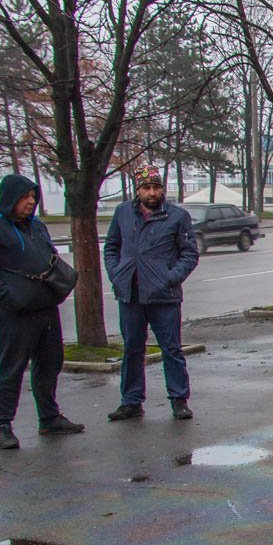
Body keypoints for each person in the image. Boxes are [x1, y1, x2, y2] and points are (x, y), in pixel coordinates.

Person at [0, 175, 85, 449]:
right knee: (10, 368)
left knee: (50, 364)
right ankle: (2, 425)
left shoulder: (37, 225)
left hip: (46, 308)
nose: (31, 202)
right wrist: (5, 295)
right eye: (26, 197)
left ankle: (49, 418)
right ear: (10, 197)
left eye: (33, 197)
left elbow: (49, 256)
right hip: (13, 313)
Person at [103, 164, 199, 421]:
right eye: (147, 188)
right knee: (132, 348)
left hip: (163, 295)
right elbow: (111, 246)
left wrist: (171, 277)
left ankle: (179, 399)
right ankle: (131, 400)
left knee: (171, 348)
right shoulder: (123, 213)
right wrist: (116, 273)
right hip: (130, 294)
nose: (152, 193)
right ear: (138, 190)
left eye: (156, 187)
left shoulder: (177, 217)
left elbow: (189, 253)